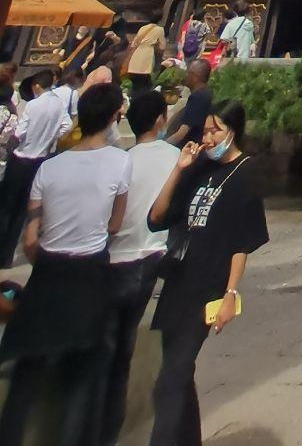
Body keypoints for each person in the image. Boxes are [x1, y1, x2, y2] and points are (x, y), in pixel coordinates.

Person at [0, 82, 130, 444]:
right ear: (111, 117)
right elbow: (115, 224)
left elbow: (31, 236)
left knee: (26, 374)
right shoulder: (120, 161)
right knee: (81, 378)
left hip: (48, 272)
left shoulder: (50, 168)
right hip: (89, 272)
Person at [146, 101, 268, 446]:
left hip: (208, 287)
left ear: (233, 130)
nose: (209, 137)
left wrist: (230, 295)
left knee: (170, 380)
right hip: (178, 282)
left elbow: (242, 243)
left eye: (216, 130)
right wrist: (179, 169)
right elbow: (157, 217)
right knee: (178, 372)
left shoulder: (246, 173)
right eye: (206, 131)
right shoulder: (198, 168)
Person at [100, 87, 179, 446]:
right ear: (161, 120)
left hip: (115, 258)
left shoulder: (122, 159)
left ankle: (101, 427)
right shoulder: (176, 158)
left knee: (111, 349)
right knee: (126, 347)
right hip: (152, 257)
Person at [0, 68, 69, 266]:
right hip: (39, 160)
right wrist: (50, 137)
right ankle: (6, 256)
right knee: (22, 210)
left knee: (6, 207)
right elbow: (66, 125)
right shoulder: (59, 104)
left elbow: (20, 132)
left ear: (37, 86)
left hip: (21, 158)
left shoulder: (33, 105)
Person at [167, 59, 215, 149]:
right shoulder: (204, 93)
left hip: (187, 149)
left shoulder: (199, 98)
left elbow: (181, 133)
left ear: (194, 76)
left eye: (188, 73)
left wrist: (162, 146)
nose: (185, 76)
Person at [127, 18, 167, 95]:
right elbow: (162, 46)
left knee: (135, 80)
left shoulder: (142, 28)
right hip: (148, 55)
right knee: (145, 79)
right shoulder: (160, 29)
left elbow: (134, 44)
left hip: (137, 53)